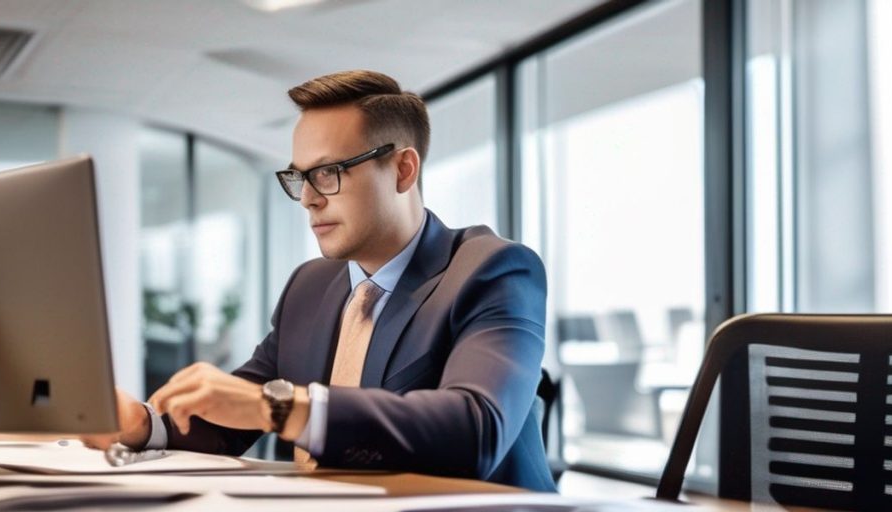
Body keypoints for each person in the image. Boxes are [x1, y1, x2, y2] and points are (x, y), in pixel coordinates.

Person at [86, 70, 554, 491]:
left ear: (403, 169)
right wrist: (143, 425)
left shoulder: (493, 270)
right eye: (299, 177)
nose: (308, 198)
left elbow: (477, 430)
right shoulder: (310, 286)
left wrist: (281, 407)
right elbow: (233, 416)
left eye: (328, 173)